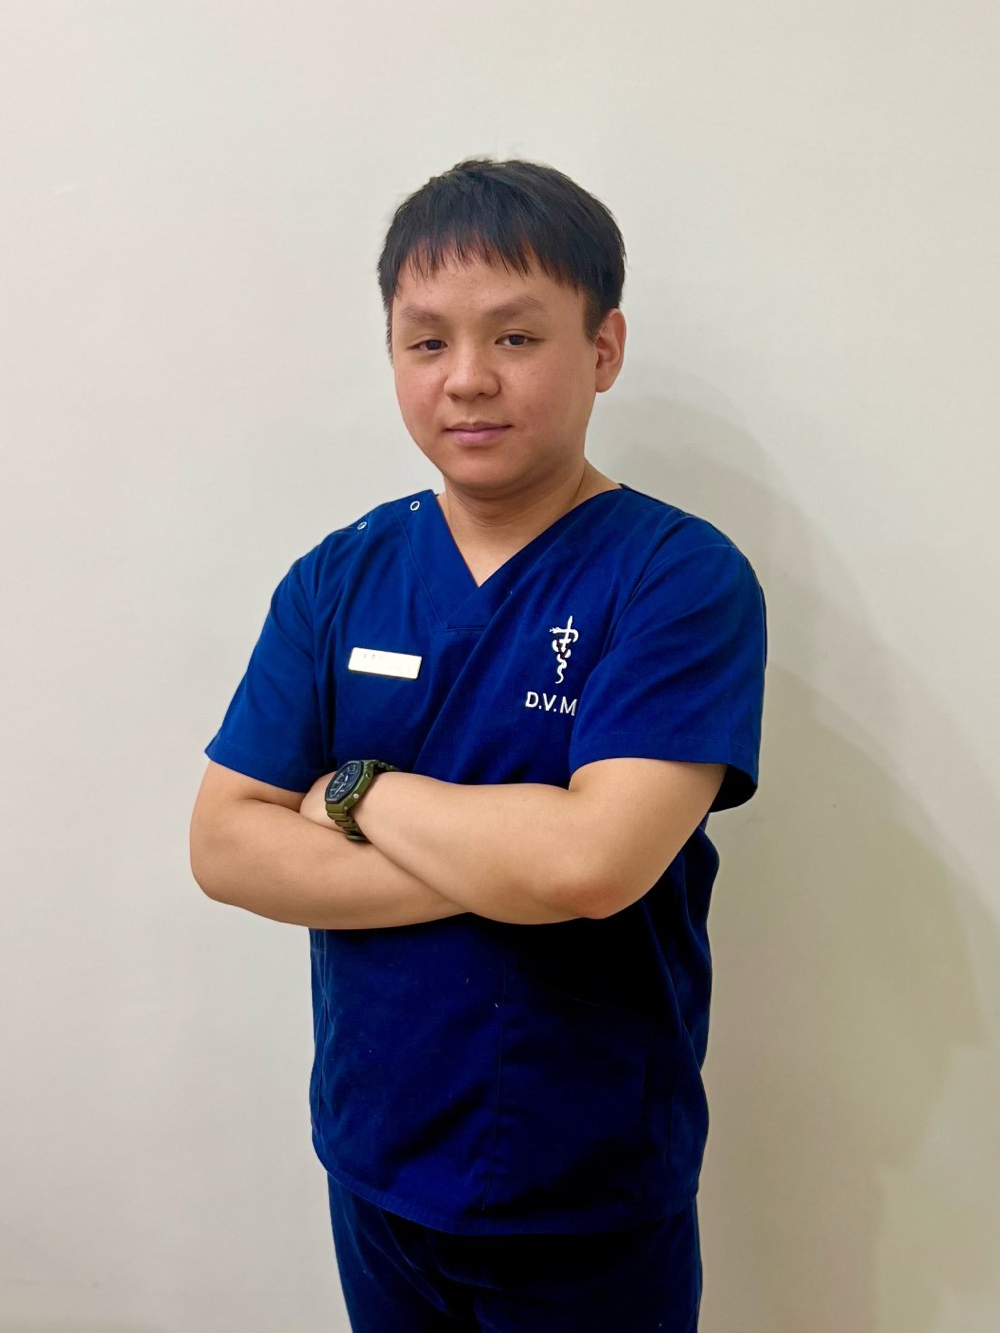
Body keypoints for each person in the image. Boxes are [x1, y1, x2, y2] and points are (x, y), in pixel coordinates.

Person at [190, 156, 768, 1331]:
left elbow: (590, 867)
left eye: (515, 337)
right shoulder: (338, 577)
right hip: (377, 1161)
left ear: (602, 348)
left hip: (588, 1187)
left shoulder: (676, 577)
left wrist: (355, 790)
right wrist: (511, 863)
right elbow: (225, 846)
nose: (466, 378)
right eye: (426, 341)